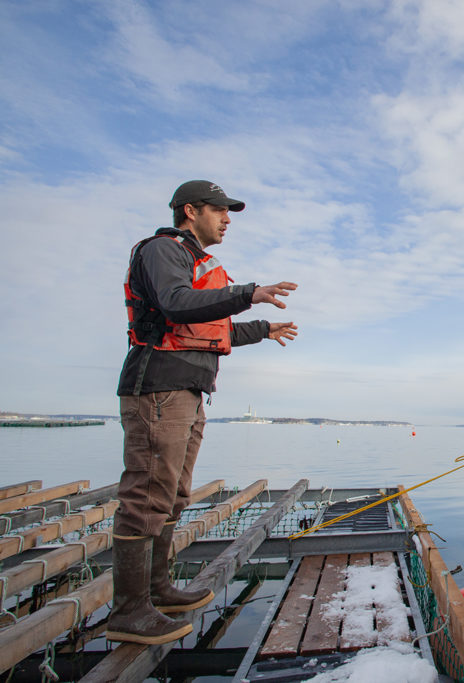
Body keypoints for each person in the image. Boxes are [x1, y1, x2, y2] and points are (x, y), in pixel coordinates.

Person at [113, 180, 298, 645]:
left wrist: (262, 329)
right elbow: (176, 304)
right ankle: (129, 610)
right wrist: (249, 292)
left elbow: (213, 330)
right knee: (147, 495)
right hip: (159, 387)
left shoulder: (194, 261)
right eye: (220, 210)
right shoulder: (164, 250)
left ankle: (157, 589)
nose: (228, 219)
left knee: (173, 495)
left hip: (187, 391)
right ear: (190, 211)